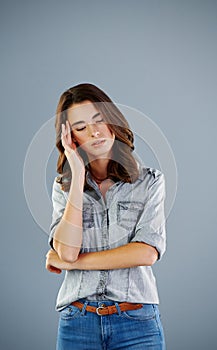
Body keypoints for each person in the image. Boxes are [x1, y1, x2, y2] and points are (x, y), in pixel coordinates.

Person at [46, 83, 167, 350]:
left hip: (137, 321)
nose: (95, 131)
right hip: (77, 322)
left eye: (99, 119)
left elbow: (146, 253)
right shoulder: (63, 188)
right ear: (71, 138)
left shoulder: (149, 182)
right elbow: (66, 252)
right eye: (81, 127)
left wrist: (75, 264)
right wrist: (77, 176)